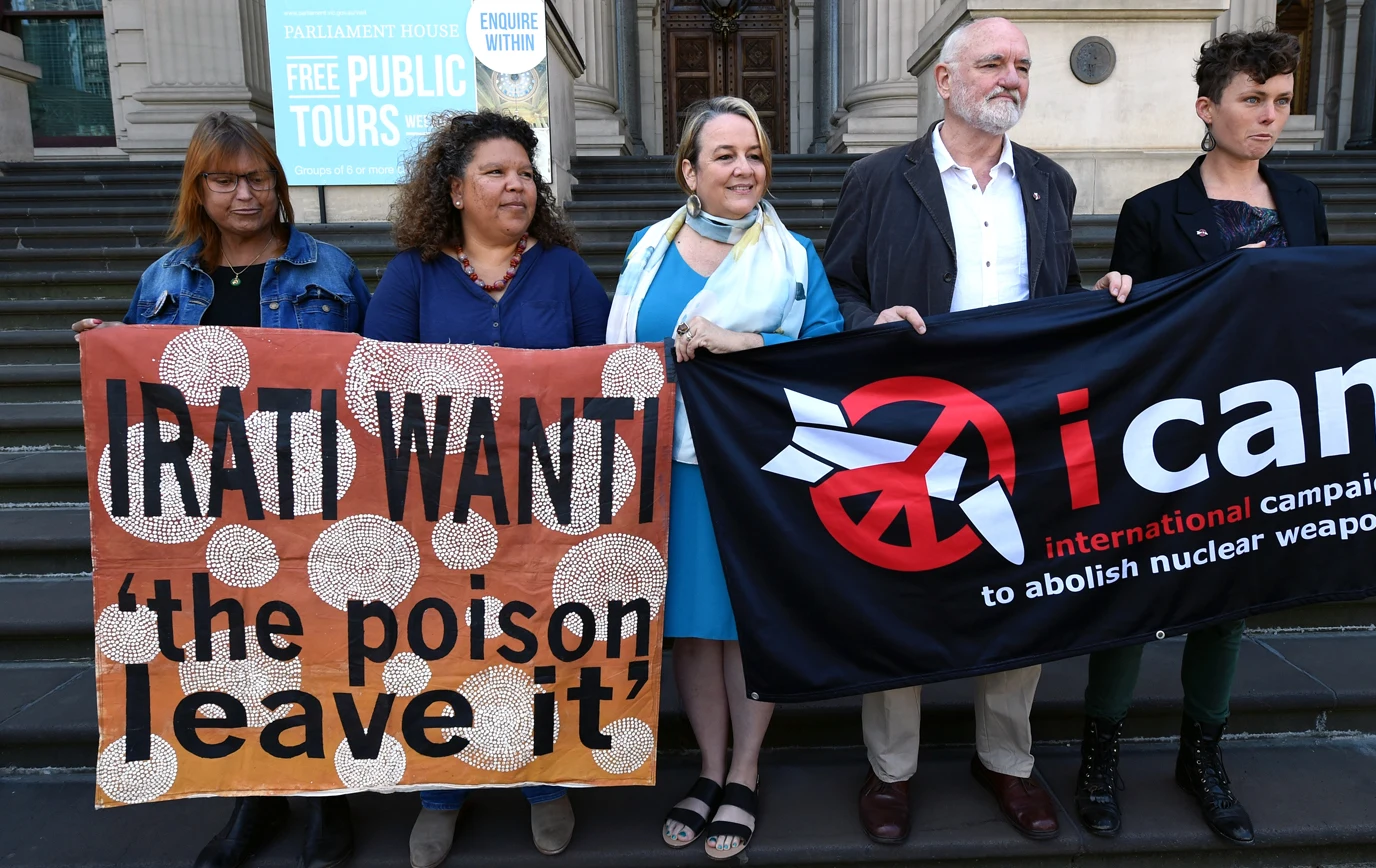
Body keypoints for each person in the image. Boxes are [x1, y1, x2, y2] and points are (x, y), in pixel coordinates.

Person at [821, 17, 1132, 846]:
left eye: (1022, 67)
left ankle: (1007, 760)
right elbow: (836, 288)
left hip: (1019, 424)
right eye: (992, 63)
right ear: (945, 81)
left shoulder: (1048, 183)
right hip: (911, 423)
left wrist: (1096, 301)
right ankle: (891, 771)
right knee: (904, 584)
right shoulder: (880, 179)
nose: (1011, 79)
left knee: (1018, 586)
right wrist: (869, 318)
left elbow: (1055, 293)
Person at [73, 111, 370, 868]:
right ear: (197, 190)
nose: (246, 194)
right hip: (211, 506)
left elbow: (372, 381)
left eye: (259, 178)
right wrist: (110, 350)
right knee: (237, 650)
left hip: (312, 492)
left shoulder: (330, 270)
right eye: (227, 180)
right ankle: (252, 798)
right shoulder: (165, 281)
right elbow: (149, 398)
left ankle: (328, 802)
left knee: (320, 646)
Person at [1076, 29, 1327, 848]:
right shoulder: (1153, 211)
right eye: (1252, 99)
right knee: (1134, 592)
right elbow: (1131, 335)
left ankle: (1200, 754)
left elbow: (1330, 311)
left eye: (1281, 101)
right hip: (1170, 437)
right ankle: (1099, 751)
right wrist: (1118, 293)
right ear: (1206, 108)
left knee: (1227, 604)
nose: (1269, 117)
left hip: (1263, 436)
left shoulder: (1302, 203)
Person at [362, 110, 609, 866]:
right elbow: (368, 378)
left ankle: (543, 779)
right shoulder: (414, 273)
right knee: (442, 644)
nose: (516, 186)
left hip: (544, 505)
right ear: (455, 189)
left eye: (525, 174)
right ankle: (439, 790)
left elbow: (612, 368)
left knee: (536, 644)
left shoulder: (563, 272)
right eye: (496, 172)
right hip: (437, 507)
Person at [607, 96, 842, 861]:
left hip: (754, 471)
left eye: (755, 155)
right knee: (693, 633)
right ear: (689, 171)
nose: (744, 169)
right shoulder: (647, 247)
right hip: (665, 468)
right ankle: (708, 769)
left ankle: (745, 772)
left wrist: (747, 340)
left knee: (749, 624)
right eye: (724, 156)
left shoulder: (795, 257)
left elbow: (830, 357)